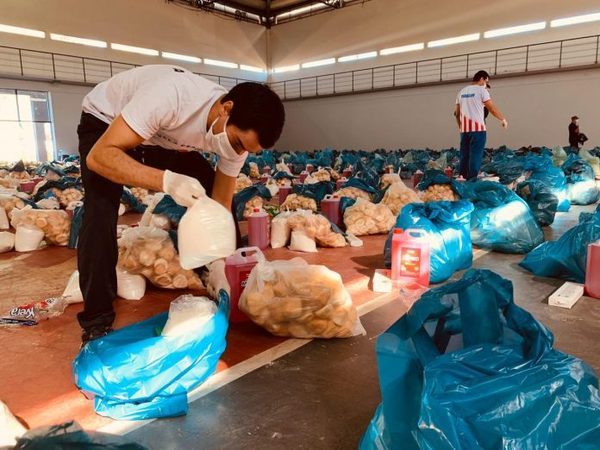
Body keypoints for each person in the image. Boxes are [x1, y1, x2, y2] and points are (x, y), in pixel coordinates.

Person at [77, 64, 285, 345]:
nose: (239, 153)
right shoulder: (172, 96)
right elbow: (99, 157)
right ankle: (96, 319)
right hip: (106, 124)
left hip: (164, 140)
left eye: (247, 149)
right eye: (237, 142)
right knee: (101, 208)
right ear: (226, 108)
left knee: (208, 185)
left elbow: (221, 203)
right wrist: (167, 182)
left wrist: (221, 261)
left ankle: (222, 276)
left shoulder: (236, 138)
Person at [454, 71, 507, 180]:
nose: (486, 84)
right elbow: (491, 108)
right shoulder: (482, 91)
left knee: (465, 155)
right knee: (475, 155)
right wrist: (502, 119)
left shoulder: (461, 92)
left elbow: (456, 113)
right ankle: (472, 181)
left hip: (464, 130)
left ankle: (462, 178)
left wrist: (460, 127)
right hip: (478, 129)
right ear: (482, 78)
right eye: (486, 81)